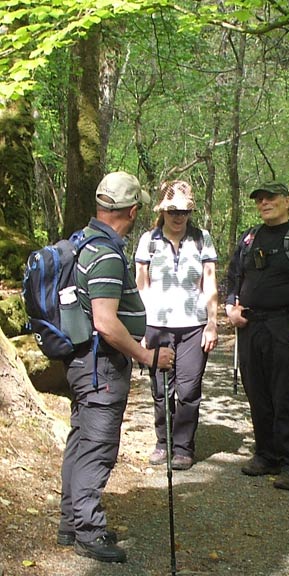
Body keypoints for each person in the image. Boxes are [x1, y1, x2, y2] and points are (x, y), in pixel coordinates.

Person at [57, 172, 175, 563]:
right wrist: (147, 356)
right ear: (133, 210)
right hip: (100, 367)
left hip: (82, 363)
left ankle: (70, 523)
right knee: (97, 447)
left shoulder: (82, 241)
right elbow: (106, 322)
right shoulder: (106, 253)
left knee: (80, 440)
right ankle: (88, 531)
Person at [225, 181, 289, 490]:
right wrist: (230, 308)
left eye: (271, 198)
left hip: (288, 327)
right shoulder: (248, 239)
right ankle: (266, 454)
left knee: (286, 394)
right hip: (252, 328)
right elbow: (232, 278)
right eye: (260, 199)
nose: (264, 203)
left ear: (286, 201)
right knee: (257, 392)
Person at [135, 180, 218, 471]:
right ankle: (162, 442)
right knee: (161, 389)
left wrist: (212, 324)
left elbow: (209, 282)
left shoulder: (202, 239)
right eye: (172, 210)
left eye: (183, 210)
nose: (178, 216)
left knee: (188, 389)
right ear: (163, 211)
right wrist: (141, 329)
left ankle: (183, 446)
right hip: (157, 325)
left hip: (194, 325)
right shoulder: (149, 240)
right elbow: (141, 286)